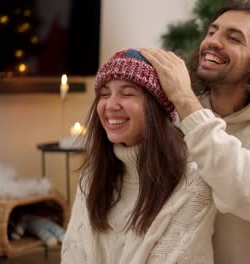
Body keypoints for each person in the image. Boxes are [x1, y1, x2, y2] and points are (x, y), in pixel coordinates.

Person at [140, 2, 250, 264]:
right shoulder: (177, 118)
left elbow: (247, 193)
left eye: (233, 38)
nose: (212, 42)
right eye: (212, 32)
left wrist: (187, 103)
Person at [61, 49, 216, 264]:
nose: (111, 105)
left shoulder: (194, 181)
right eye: (105, 94)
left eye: (127, 94)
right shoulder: (92, 177)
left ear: (157, 107)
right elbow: (73, 255)